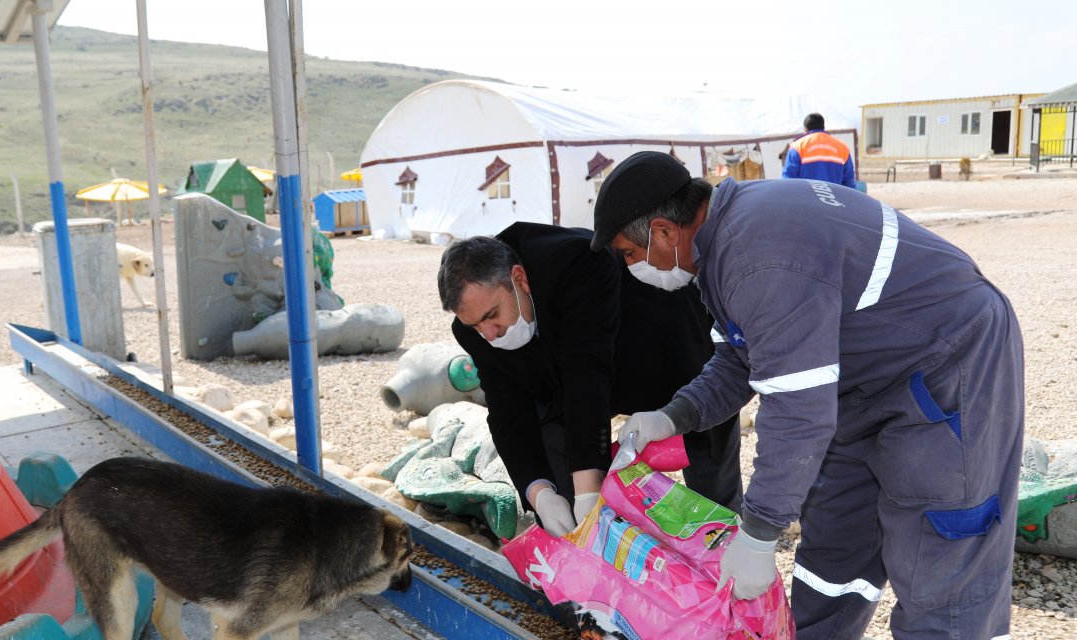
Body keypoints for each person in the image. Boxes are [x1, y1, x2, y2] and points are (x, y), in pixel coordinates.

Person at [589, 150, 1024, 640]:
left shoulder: (758, 257)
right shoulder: (724, 241)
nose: (630, 266)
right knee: (836, 541)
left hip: (945, 359)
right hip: (861, 378)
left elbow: (797, 410)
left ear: (666, 232)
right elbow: (741, 358)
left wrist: (758, 533)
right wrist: (672, 417)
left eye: (629, 253)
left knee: (940, 554)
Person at [436, 222, 742, 539]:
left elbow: (586, 374)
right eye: (474, 326)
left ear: (519, 278)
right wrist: (538, 492)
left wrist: (588, 493)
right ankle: (592, 560)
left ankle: (727, 550)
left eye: (491, 315)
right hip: (569, 377)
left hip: (661, 347)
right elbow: (506, 412)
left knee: (708, 461)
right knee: (554, 452)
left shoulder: (573, 260)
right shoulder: (473, 330)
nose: (489, 334)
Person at [782, 112, 857, 189]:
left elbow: (788, 180)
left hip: (805, 198)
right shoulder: (842, 147)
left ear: (805, 129)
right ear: (823, 127)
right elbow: (849, 182)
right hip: (833, 199)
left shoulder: (797, 146)